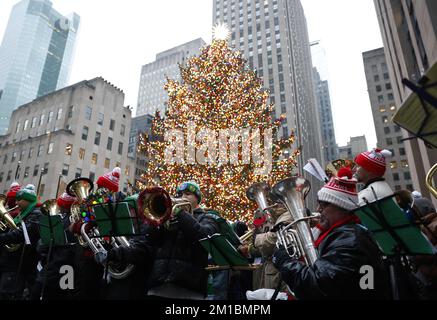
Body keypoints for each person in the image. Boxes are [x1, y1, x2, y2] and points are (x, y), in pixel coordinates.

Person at [272, 168, 389, 299]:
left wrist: (286, 262)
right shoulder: (344, 234)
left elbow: (317, 285)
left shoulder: (350, 241)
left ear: (342, 207)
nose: (318, 210)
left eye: (324, 205)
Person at [106, 181, 220, 300]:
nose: (183, 197)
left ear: (198, 199)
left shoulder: (208, 217)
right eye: (180, 194)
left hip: (189, 291)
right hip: (158, 288)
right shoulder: (168, 217)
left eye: (188, 194)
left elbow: (204, 236)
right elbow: (150, 241)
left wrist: (181, 214)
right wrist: (158, 221)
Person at [31, 192, 78, 300]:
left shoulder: (64, 221)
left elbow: (43, 246)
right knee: (63, 295)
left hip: (56, 267)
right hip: (68, 268)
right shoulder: (69, 219)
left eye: (61, 206)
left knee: (38, 293)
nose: (59, 208)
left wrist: (44, 242)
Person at [0, 184, 41, 300]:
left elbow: (21, 234)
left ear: (27, 200)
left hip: (20, 263)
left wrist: (2, 238)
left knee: (8, 293)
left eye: (19, 200)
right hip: (10, 261)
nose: (16, 203)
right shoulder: (22, 213)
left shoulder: (36, 214)